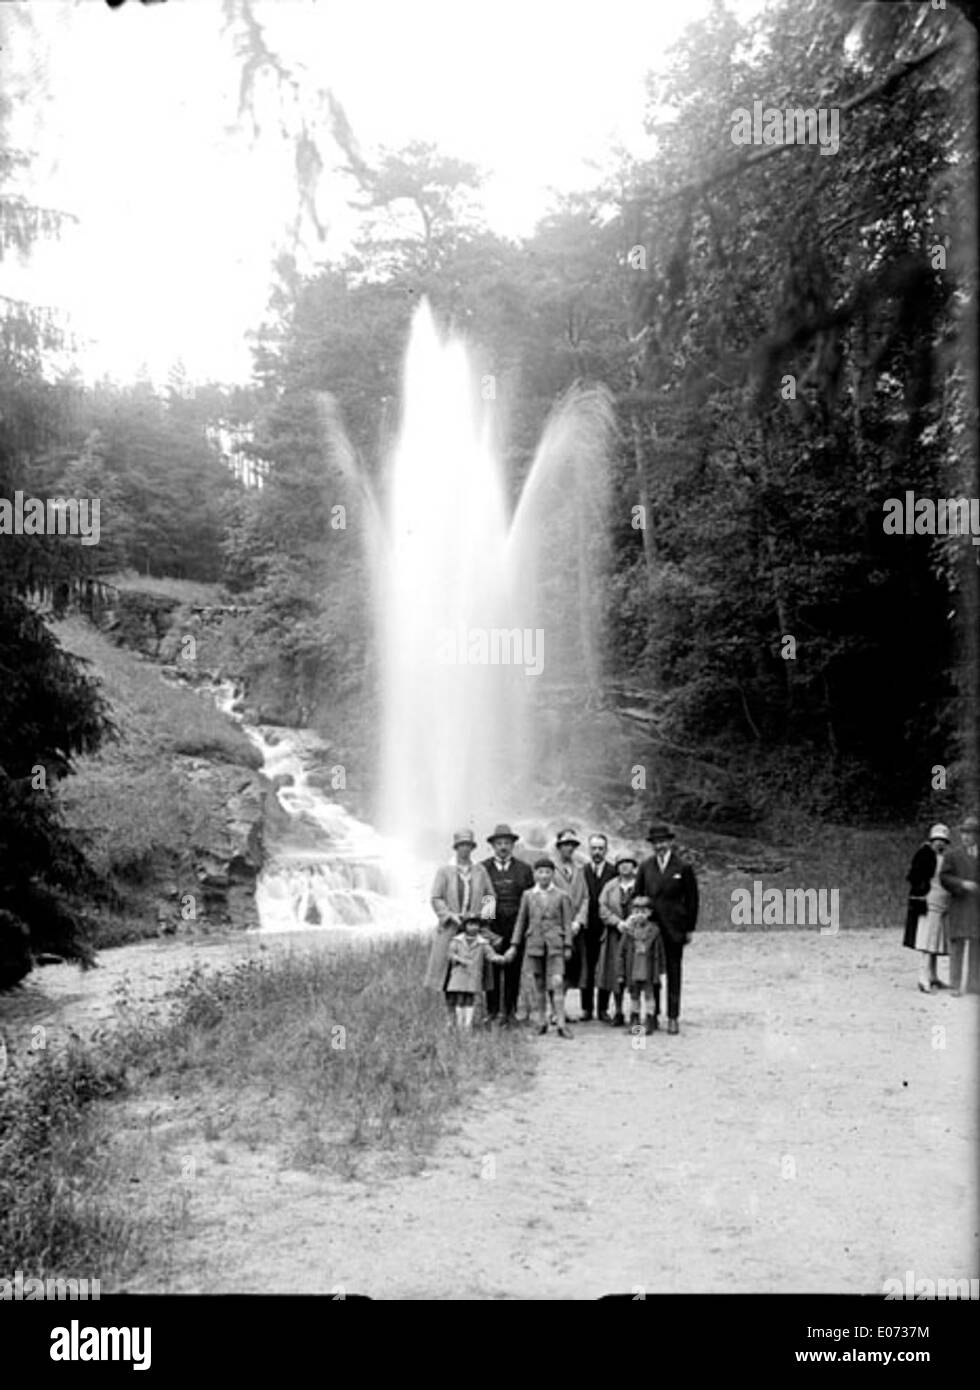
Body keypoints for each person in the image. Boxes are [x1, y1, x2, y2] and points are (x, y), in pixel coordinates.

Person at [424, 829, 495, 1021]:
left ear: (473, 848)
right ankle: (450, 1017)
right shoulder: (444, 871)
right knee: (449, 972)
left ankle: (468, 1020)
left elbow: (490, 896)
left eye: (469, 845)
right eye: (462, 845)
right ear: (456, 848)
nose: (465, 849)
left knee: (471, 970)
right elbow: (436, 898)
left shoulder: (480, 870)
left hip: (473, 929)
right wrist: (449, 915)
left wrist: (482, 919)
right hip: (450, 929)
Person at [635, 820, 698, 1034]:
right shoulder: (645, 867)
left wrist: (689, 928)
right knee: (652, 974)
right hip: (652, 929)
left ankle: (673, 1016)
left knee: (673, 971)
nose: (659, 846)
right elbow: (638, 897)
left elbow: (692, 900)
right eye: (656, 843)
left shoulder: (683, 867)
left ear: (670, 842)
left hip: (674, 928)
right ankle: (653, 1016)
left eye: (663, 842)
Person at [508, 857, 574, 1038]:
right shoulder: (528, 895)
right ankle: (541, 1022)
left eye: (548, 872)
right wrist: (515, 944)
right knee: (538, 984)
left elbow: (567, 923)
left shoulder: (561, 895)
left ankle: (561, 1023)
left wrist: (568, 944)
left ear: (553, 874)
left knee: (557, 982)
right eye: (540, 872)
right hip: (534, 944)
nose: (544, 876)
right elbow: (521, 921)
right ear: (535, 874)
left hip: (555, 945)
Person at [481, 824, 534, 1026]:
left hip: (516, 925)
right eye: (499, 843)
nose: (503, 847)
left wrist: (522, 931)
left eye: (507, 843)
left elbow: (528, 900)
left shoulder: (524, 869)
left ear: (513, 845)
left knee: (513, 970)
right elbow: (484, 896)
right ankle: (492, 1012)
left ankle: (510, 1012)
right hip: (492, 925)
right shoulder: (483, 868)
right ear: (493, 846)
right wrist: (488, 930)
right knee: (491, 970)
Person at [902, 824, 951, 991]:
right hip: (929, 902)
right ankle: (923, 978)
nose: (940, 843)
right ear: (931, 840)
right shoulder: (924, 855)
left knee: (936, 941)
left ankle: (933, 976)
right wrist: (920, 894)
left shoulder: (945, 858)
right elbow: (914, 877)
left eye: (944, 840)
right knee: (927, 940)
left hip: (943, 903)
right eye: (937, 840)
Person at [579, 833, 617, 1021]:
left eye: (600, 848)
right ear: (588, 849)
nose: (597, 852)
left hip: (606, 927)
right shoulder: (582, 871)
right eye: (593, 848)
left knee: (605, 967)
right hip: (586, 927)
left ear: (606, 850)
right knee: (586, 968)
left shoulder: (614, 871)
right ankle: (586, 1008)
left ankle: (603, 1009)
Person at [596, 853, 638, 1026]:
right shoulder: (610, 886)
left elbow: (647, 904)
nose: (624, 866)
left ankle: (635, 1014)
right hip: (614, 935)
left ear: (634, 866)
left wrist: (633, 921)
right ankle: (619, 1012)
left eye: (628, 862)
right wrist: (617, 922)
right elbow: (602, 908)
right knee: (616, 973)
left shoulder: (640, 884)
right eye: (621, 863)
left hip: (636, 936)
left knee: (635, 973)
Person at [445, 915, 509, 1029]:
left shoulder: (482, 943)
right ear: (465, 926)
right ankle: (460, 1023)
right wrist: (459, 959)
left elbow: (490, 954)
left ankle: (467, 1025)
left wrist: (499, 958)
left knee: (470, 998)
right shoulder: (457, 940)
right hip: (459, 974)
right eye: (470, 924)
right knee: (460, 997)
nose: (473, 927)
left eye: (476, 924)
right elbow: (450, 954)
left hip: (474, 974)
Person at [941, 814, 980, 996]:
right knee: (957, 946)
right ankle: (955, 985)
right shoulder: (952, 855)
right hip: (959, 905)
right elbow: (944, 877)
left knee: (976, 947)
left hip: (977, 908)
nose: (966, 837)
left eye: (970, 834)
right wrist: (962, 884)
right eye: (964, 833)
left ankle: (974, 985)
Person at [618, 895, 667, 1035]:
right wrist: (620, 972)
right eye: (636, 911)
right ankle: (635, 1021)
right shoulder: (628, 932)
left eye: (643, 911)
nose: (639, 915)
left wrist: (660, 970)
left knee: (649, 995)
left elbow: (660, 952)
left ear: (649, 913)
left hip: (649, 969)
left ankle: (650, 1020)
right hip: (633, 968)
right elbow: (621, 952)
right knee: (634, 995)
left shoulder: (654, 931)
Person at [553, 827, 587, 1019]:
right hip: (556, 926)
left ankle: (560, 1008)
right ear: (558, 847)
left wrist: (578, 921)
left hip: (574, 928)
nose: (569, 849)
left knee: (570, 968)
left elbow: (585, 898)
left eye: (572, 845)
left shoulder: (579, 869)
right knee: (554, 968)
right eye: (565, 845)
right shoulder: (549, 867)